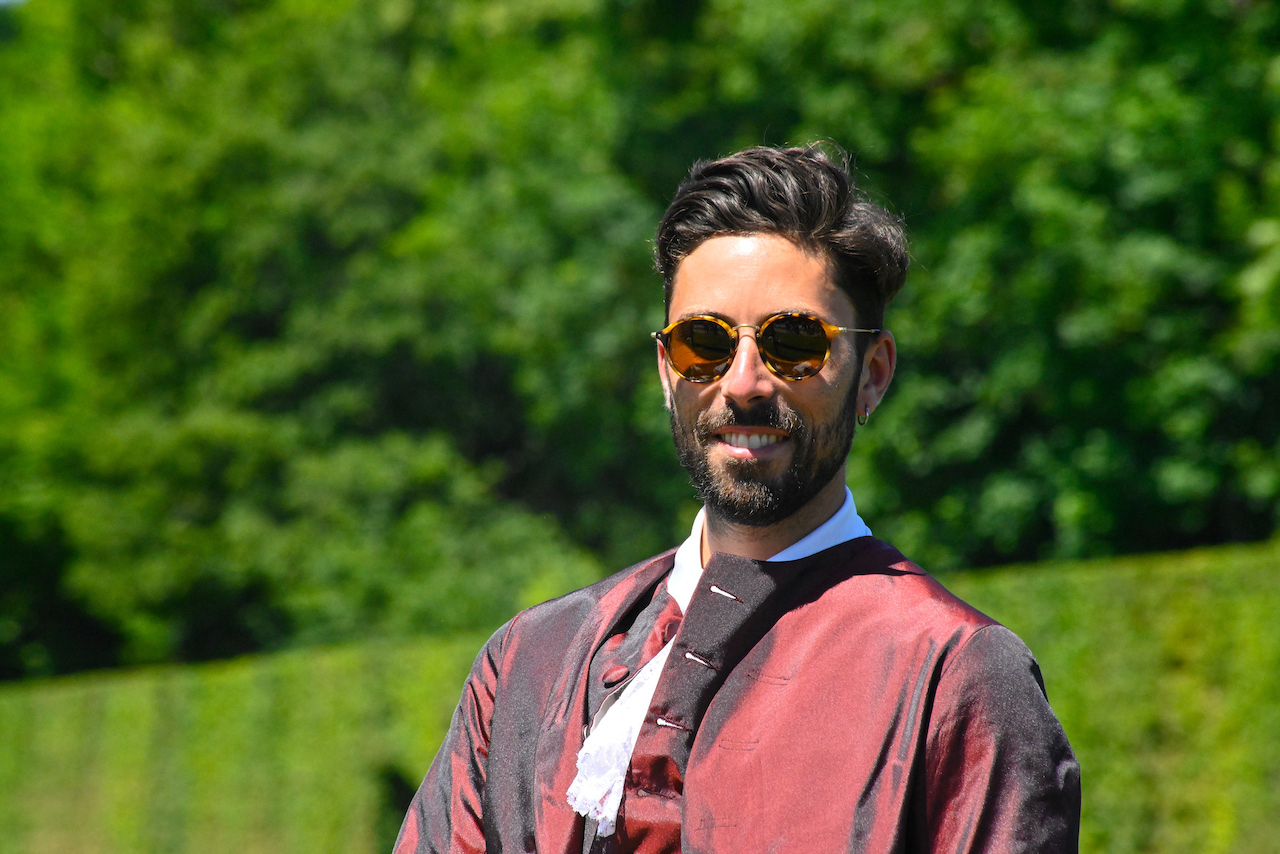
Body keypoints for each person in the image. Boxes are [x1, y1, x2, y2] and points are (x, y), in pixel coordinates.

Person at [394, 145, 1081, 853]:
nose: (744, 382)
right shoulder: (527, 663)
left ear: (872, 374)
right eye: (703, 342)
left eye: (794, 342)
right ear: (667, 370)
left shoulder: (953, 675)